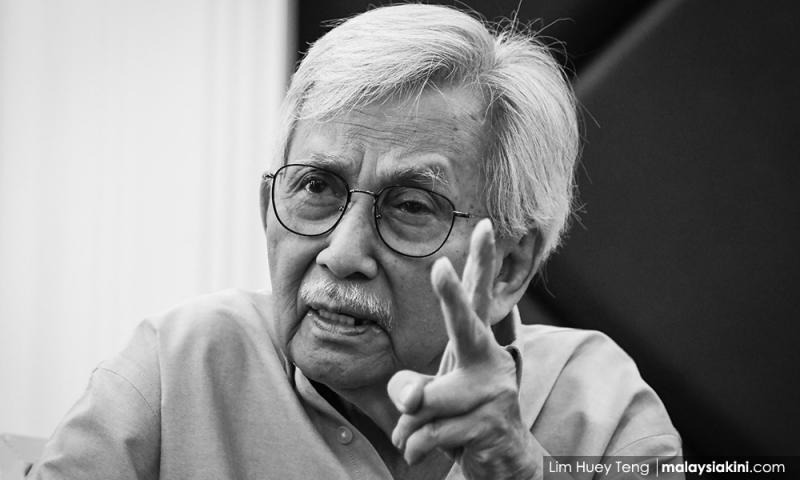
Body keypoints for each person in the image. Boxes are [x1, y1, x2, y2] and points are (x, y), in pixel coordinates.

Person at [31, 4, 681, 479]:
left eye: (411, 206)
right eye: (316, 187)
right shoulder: (175, 369)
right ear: (267, 209)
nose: (341, 255)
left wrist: (520, 471)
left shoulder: (599, 409)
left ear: (508, 268)